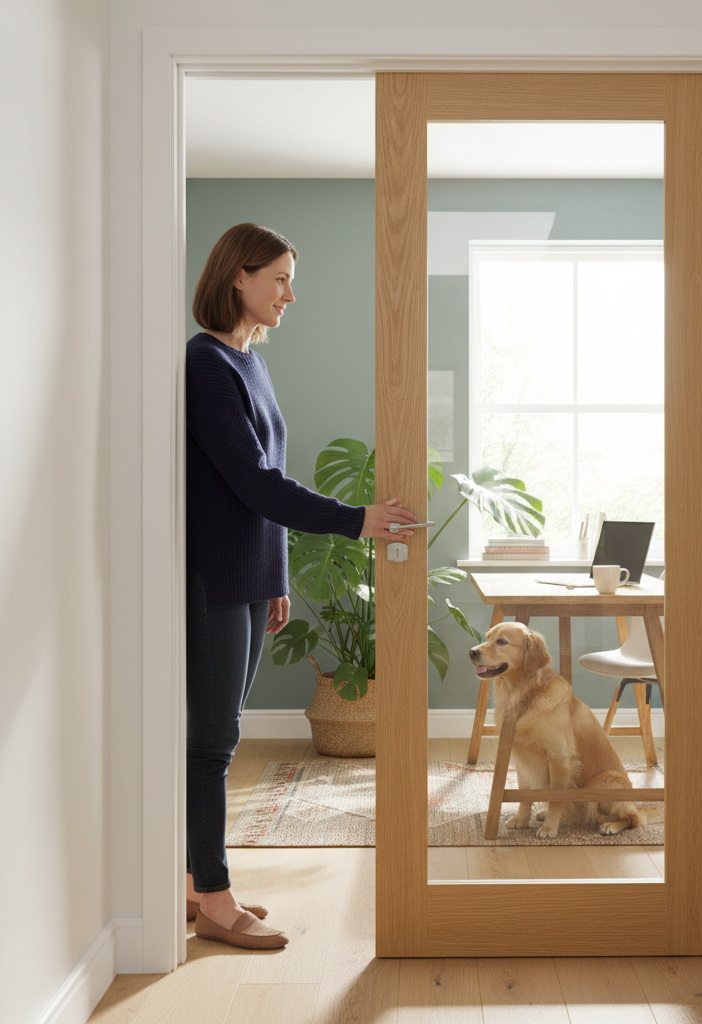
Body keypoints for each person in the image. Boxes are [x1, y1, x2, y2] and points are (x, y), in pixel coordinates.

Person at [185, 223, 417, 950]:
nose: (290, 294)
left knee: (216, 738)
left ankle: (200, 885)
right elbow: (254, 483)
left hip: (250, 577)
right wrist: (359, 521)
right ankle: (213, 898)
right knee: (213, 744)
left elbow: (258, 485)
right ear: (238, 279)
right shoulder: (205, 365)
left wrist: (276, 575)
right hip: (214, 581)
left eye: (291, 279)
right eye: (279, 279)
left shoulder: (249, 363)